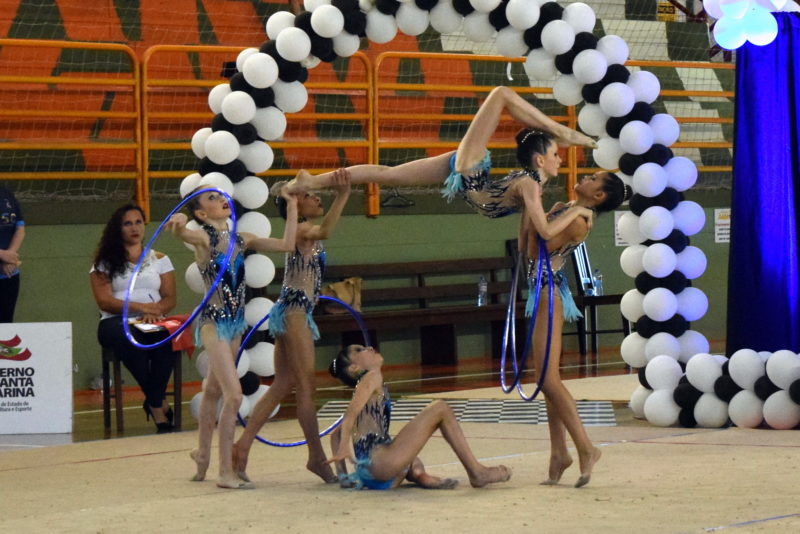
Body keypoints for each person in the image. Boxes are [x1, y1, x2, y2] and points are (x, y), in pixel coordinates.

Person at [279, 86, 598, 241]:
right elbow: (541, 230)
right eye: (557, 153)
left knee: (387, 174)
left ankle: (313, 182)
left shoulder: (533, 185)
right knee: (499, 94)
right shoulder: (531, 184)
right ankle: (313, 181)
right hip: (472, 173)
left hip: (472, 178)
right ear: (541, 159)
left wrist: (573, 208)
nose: (562, 159)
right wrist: (578, 209)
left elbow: (535, 229)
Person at [165, 185, 299, 490]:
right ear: (201, 213)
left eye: (222, 196)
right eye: (212, 198)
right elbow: (184, 234)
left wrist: (291, 206)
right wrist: (177, 224)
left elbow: (287, 244)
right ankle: (226, 472)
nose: (222, 199)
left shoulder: (242, 239)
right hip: (213, 324)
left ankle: (202, 454)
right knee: (234, 395)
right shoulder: (203, 238)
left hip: (236, 325)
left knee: (212, 390)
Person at [233, 168, 351, 484]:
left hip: (294, 310)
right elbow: (325, 232)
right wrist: (343, 194)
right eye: (310, 194)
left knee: (283, 385)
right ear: (296, 203)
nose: (316, 196)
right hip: (295, 310)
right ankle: (315, 456)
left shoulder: (300, 229)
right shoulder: (300, 229)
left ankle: (241, 447)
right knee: (306, 387)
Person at [518, 161, 630, 488]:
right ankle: (558, 453)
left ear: (597, 195)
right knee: (546, 378)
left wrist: (537, 206)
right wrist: (532, 205)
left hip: (549, 292)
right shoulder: (566, 209)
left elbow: (544, 244)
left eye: (592, 178)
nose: (584, 176)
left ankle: (585, 447)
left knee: (546, 378)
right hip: (539, 289)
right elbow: (526, 246)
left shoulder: (579, 220)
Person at [326, 344, 512, 490]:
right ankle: (477, 472)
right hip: (382, 463)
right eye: (359, 350)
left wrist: (343, 476)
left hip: (373, 472)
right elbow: (350, 413)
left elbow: (335, 434)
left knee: (411, 455)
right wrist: (344, 446)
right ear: (354, 367)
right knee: (441, 408)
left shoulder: (364, 391)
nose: (369, 348)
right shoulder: (370, 377)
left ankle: (419, 475)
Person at [90, 204, 178, 433]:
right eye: (127, 223)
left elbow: (169, 298)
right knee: (128, 337)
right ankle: (158, 406)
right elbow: (105, 301)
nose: (134, 228)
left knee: (166, 339)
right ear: (117, 229)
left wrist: (155, 311)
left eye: (138, 222)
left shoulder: (160, 258)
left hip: (153, 319)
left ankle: (153, 400)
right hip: (114, 321)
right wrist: (141, 308)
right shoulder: (104, 262)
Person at [0, 186, 25, 323]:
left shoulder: (6, 193)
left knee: (6, 324)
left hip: (8, 274)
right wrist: (1, 254)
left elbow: (20, 229)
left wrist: (9, 255)